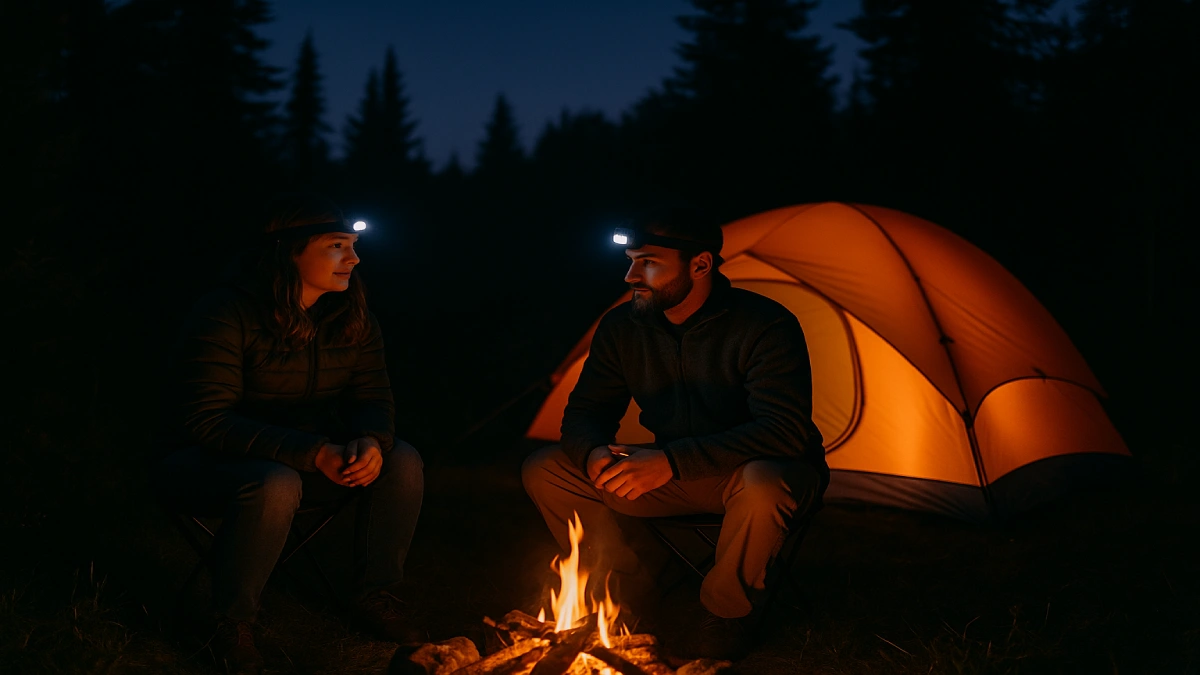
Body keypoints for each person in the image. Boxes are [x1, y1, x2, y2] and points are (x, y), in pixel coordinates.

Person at [522, 207, 828, 661]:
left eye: (647, 262)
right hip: (669, 473)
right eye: (629, 260)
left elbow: (783, 430)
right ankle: (627, 589)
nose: (630, 276)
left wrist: (670, 461)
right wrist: (593, 455)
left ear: (700, 265)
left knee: (763, 484)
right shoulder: (624, 327)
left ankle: (724, 615)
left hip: (754, 475)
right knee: (546, 468)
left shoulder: (764, 324)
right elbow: (585, 413)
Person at [154, 193, 424, 675]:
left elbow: (373, 399)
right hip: (201, 464)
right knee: (275, 482)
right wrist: (312, 451)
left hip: (300, 461)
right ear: (290, 252)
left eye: (355, 245)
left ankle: (374, 595)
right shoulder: (227, 312)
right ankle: (229, 621)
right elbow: (205, 420)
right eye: (337, 246)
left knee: (400, 459)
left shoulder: (352, 316)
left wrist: (370, 440)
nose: (354, 258)